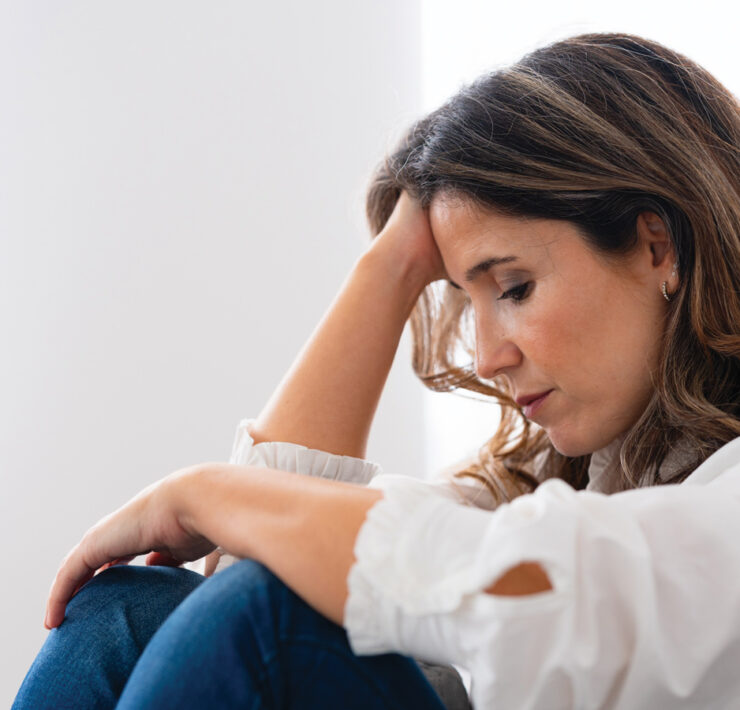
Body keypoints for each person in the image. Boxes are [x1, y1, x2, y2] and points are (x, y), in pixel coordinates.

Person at [13, 31, 740, 709]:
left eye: (514, 288)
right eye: (464, 296)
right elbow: (242, 582)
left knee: (264, 618)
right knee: (129, 609)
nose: (487, 358)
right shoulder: (548, 484)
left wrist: (203, 494)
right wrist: (389, 268)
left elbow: (554, 595)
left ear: (655, 246)